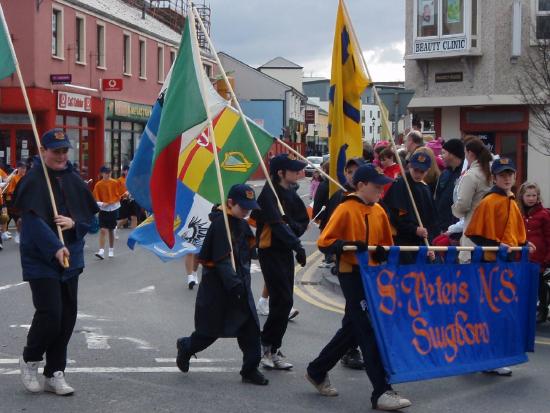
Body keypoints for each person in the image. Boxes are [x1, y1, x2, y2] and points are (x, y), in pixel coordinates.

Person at [306, 164, 412, 411]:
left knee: (354, 328)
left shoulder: (379, 211)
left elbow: (386, 242)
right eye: (376, 186)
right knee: (367, 329)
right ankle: (381, 391)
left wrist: (383, 252)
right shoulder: (345, 208)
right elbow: (325, 242)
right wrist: (343, 244)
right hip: (351, 274)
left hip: (372, 275)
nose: (380, 190)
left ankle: (317, 369)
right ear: (361, 185)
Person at [14, 128, 99, 395]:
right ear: (43, 151)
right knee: (51, 313)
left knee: (67, 317)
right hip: (41, 259)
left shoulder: (74, 179)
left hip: (70, 258)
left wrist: (75, 223)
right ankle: (29, 359)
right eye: (56, 151)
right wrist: (55, 247)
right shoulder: (33, 180)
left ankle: (55, 372)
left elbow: (92, 221)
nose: (61, 156)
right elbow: (32, 222)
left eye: (65, 150)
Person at [175, 184, 268, 386]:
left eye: (249, 208)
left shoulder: (241, 224)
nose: (246, 212)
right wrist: (234, 285)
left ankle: (250, 369)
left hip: (240, 286)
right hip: (219, 290)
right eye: (243, 207)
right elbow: (222, 261)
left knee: (250, 330)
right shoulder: (220, 225)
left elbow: (250, 251)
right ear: (230, 203)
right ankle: (186, 347)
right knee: (209, 332)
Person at [464, 158, 535, 376]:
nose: (506, 178)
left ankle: (488, 357)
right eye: (502, 175)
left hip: (505, 264)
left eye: (510, 174)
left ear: (514, 177)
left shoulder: (512, 201)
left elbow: (513, 231)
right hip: (489, 263)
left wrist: (523, 243)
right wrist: (496, 245)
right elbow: (474, 232)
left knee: (499, 313)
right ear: (494, 177)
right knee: (489, 312)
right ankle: (485, 358)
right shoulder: (490, 201)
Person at [251, 153, 308, 370]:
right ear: (280, 173)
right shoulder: (269, 194)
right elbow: (276, 225)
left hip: (285, 251)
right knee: (281, 299)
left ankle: (273, 347)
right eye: (292, 169)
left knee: (285, 302)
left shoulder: (291, 194)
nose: (297, 172)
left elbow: (302, 221)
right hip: (270, 251)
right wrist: (297, 245)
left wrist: (293, 231)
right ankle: (266, 345)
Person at [384, 151, 438, 264]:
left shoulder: (425, 188)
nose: (418, 174)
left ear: (427, 171)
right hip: (403, 243)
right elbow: (394, 215)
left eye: (422, 171)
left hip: (422, 243)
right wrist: (414, 229)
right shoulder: (400, 184)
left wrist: (430, 243)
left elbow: (430, 220)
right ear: (410, 167)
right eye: (415, 170)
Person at [452, 137, 492, 263]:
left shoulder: (471, 175)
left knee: (471, 273)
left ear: (470, 153)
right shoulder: (492, 173)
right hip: (491, 230)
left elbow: (463, 204)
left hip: (473, 229)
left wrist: (455, 208)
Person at [517, 181, 550, 323]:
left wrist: (548, 257)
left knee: (539, 285)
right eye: (528, 195)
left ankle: (543, 310)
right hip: (522, 256)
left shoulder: (544, 215)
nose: (531, 198)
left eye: (534, 195)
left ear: (538, 197)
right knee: (523, 284)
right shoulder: (518, 213)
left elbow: (549, 237)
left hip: (539, 257)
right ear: (522, 197)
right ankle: (525, 310)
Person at [434, 139, 465, 235]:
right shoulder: (444, 173)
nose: (441, 156)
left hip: (458, 228)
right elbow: (437, 198)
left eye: (443, 153)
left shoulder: (465, 174)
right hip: (442, 227)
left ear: (452, 154)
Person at [93, 166, 121, 259]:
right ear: (102, 174)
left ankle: (111, 249)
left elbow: (118, 195)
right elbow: (95, 198)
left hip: (113, 208)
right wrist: (102, 203)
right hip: (104, 210)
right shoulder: (98, 185)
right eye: (106, 172)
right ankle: (101, 251)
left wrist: (111, 201)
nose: (108, 174)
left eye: (109, 172)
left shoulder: (115, 182)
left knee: (111, 230)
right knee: (102, 230)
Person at [5, 161, 27, 244]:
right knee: (16, 218)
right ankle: (16, 234)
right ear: (18, 169)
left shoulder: (27, 177)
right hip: (15, 202)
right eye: (22, 168)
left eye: (25, 168)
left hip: (24, 202)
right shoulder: (14, 178)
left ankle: (19, 234)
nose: (24, 170)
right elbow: (10, 190)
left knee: (20, 219)